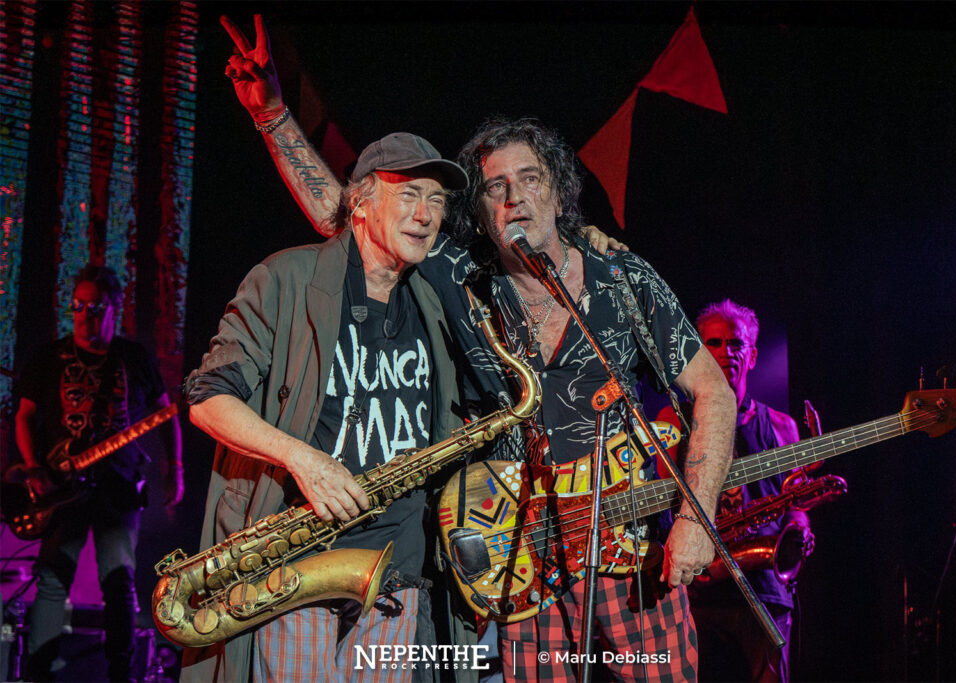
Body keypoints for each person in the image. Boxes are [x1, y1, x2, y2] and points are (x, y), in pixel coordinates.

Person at [219, 16, 736, 681]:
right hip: (527, 571)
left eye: (529, 178)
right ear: (483, 211)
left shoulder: (624, 280)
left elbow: (713, 391)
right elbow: (345, 215)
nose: (514, 196)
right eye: (495, 186)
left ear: (559, 191)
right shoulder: (465, 281)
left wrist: (696, 518)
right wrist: (271, 115)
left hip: (630, 562)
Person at [180, 130, 470, 682]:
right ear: (360, 202)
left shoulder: (437, 299)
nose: (426, 214)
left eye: (436, 200)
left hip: (397, 573)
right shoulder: (285, 277)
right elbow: (207, 399)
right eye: (409, 194)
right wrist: (302, 459)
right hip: (298, 566)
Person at [14, 264, 183, 682]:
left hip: (119, 485)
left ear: (114, 308)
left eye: (95, 308)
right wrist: (33, 468)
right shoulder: (50, 357)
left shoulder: (133, 358)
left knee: (119, 581)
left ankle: (120, 675)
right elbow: (24, 417)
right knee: (52, 581)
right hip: (61, 487)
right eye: (78, 306)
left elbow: (167, 416)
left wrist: (174, 468)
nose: (85, 316)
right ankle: (38, 675)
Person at [690, 298, 814, 682]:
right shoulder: (675, 422)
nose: (725, 352)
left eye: (736, 343)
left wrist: (799, 527)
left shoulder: (782, 426)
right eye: (713, 343)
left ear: (753, 355)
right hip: (700, 592)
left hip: (765, 590)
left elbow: (797, 504)